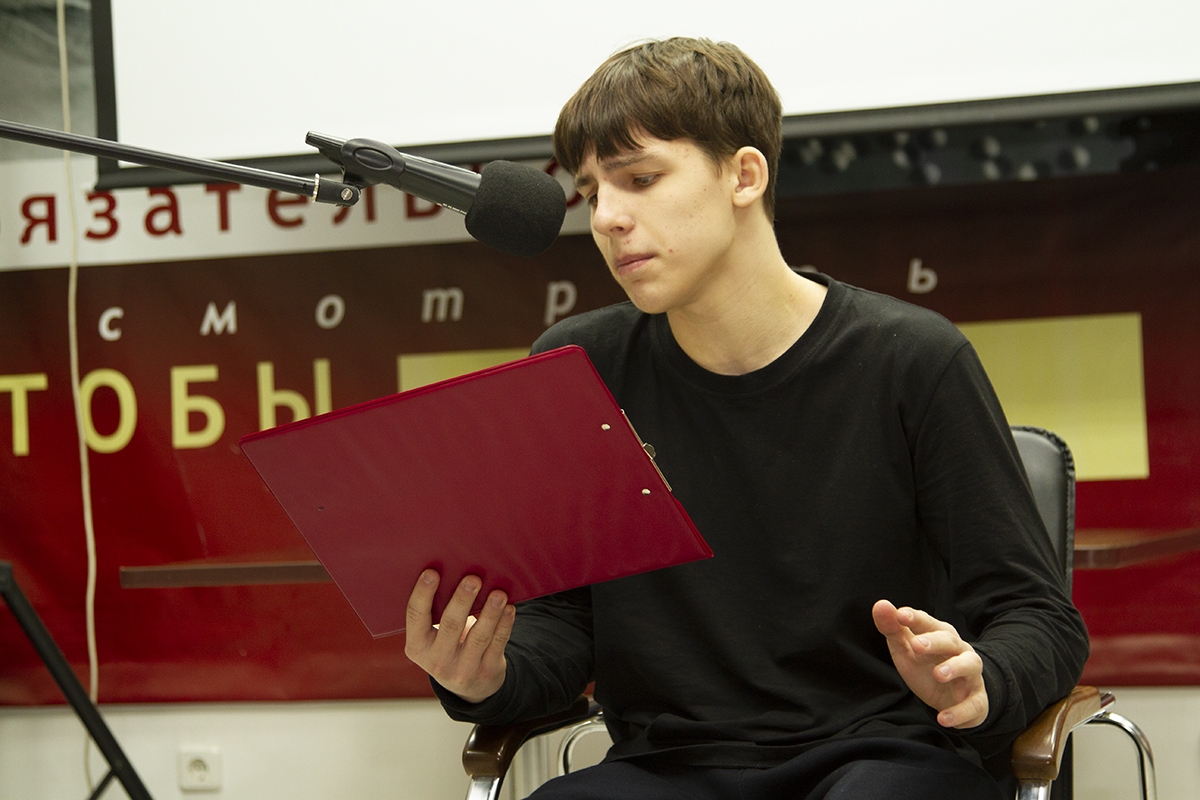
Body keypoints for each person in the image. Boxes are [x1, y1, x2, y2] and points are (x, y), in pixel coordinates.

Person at [404, 37, 1089, 799]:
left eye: (640, 179)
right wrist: (488, 677)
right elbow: (563, 623)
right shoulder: (579, 366)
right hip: (665, 768)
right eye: (592, 192)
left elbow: (1037, 614)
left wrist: (982, 678)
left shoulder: (913, 358)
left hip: (883, 758)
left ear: (745, 175)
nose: (607, 218)